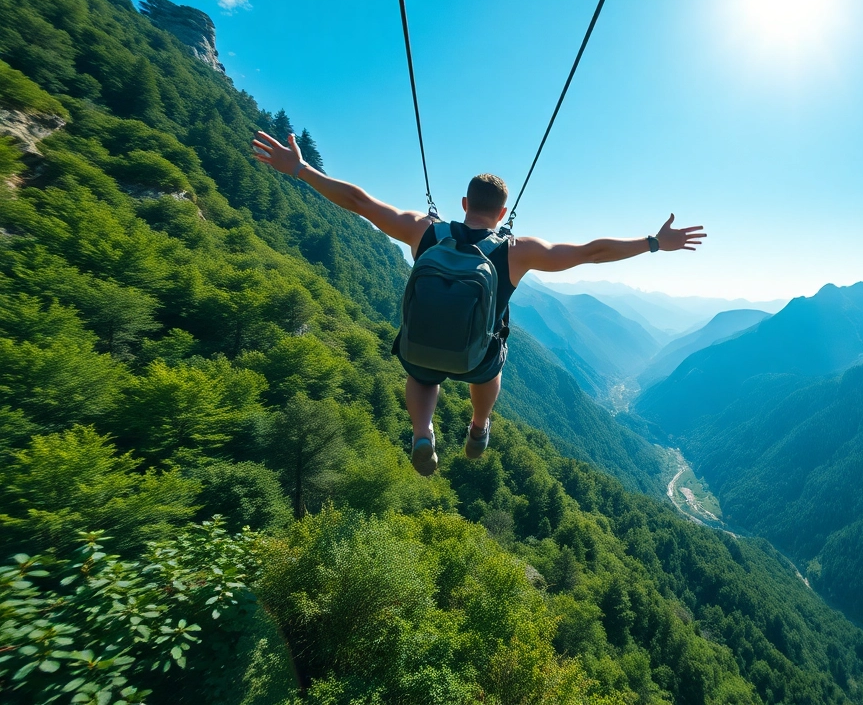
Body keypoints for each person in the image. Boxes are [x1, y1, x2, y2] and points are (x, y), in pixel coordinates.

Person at [252, 131, 706, 475]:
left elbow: (358, 202)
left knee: (421, 373)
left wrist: (301, 169)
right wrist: (653, 242)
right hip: (475, 359)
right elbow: (591, 252)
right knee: (493, 362)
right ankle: (478, 424)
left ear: (465, 202)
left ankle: (423, 432)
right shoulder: (517, 251)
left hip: (419, 347)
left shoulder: (423, 231)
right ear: (502, 213)